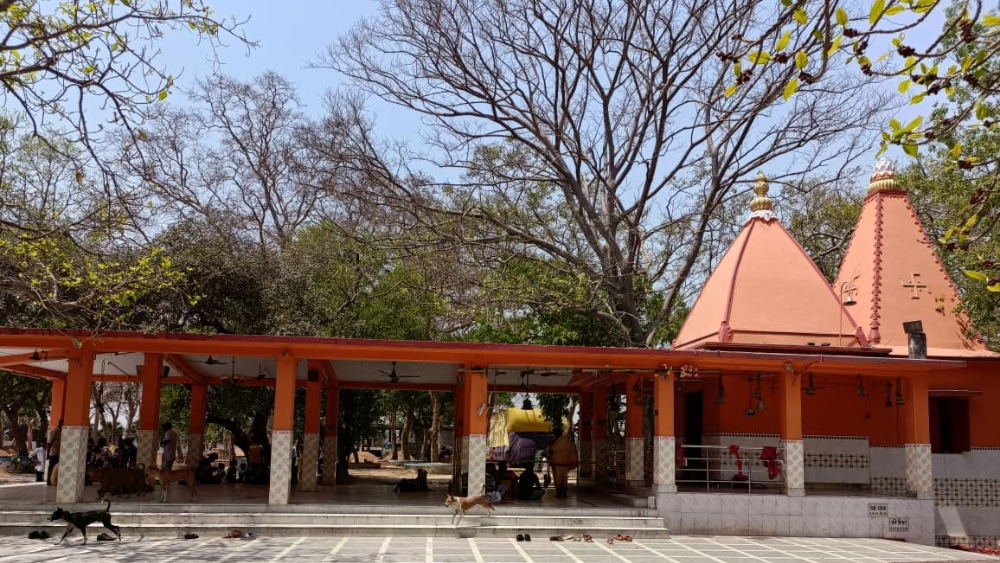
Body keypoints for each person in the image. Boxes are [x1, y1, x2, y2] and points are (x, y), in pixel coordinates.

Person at [547, 429, 579, 498]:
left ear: (557, 434)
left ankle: (559, 493)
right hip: (566, 463)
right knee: (564, 479)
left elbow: (552, 450)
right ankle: (564, 493)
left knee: (558, 479)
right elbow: (573, 447)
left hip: (558, 463)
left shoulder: (557, 442)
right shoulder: (567, 441)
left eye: (554, 433)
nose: (554, 435)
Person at [46, 419, 62, 486]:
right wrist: (48, 454)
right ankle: (49, 481)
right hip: (53, 453)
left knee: (57, 468)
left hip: (59, 453)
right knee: (52, 467)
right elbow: (49, 443)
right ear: (60, 423)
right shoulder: (54, 431)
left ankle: (55, 481)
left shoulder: (62, 431)